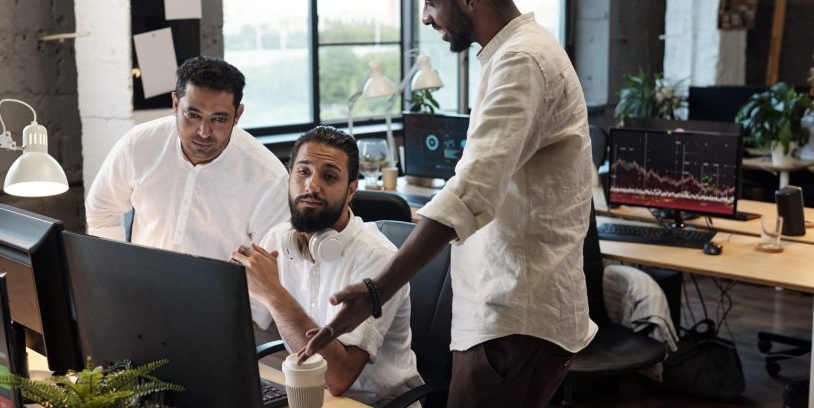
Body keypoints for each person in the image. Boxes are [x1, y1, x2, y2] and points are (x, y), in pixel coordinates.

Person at [300, 1, 598, 407]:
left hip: (515, 318)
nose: (425, 17)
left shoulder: (521, 60)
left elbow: (471, 190)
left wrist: (377, 290)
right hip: (512, 316)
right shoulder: (517, 53)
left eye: (432, 2)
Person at [230, 127, 423, 405]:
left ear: (351, 190)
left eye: (329, 176)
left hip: (376, 403)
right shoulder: (279, 239)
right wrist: (227, 293)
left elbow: (338, 377)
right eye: (303, 172)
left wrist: (273, 292)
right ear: (289, 178)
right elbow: (243, 328)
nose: (311, 186)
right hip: (309, 395)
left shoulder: (377, 257)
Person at [85, 56, 289, 261]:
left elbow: (274, 261)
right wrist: (116, 267)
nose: (204, 132)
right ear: (175, 103)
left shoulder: (269, 178)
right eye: (193, 115)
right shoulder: (138, 145)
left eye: (219, 119)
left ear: (237, 114)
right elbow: (102, 208)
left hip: (221, 282)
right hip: (143, 279)